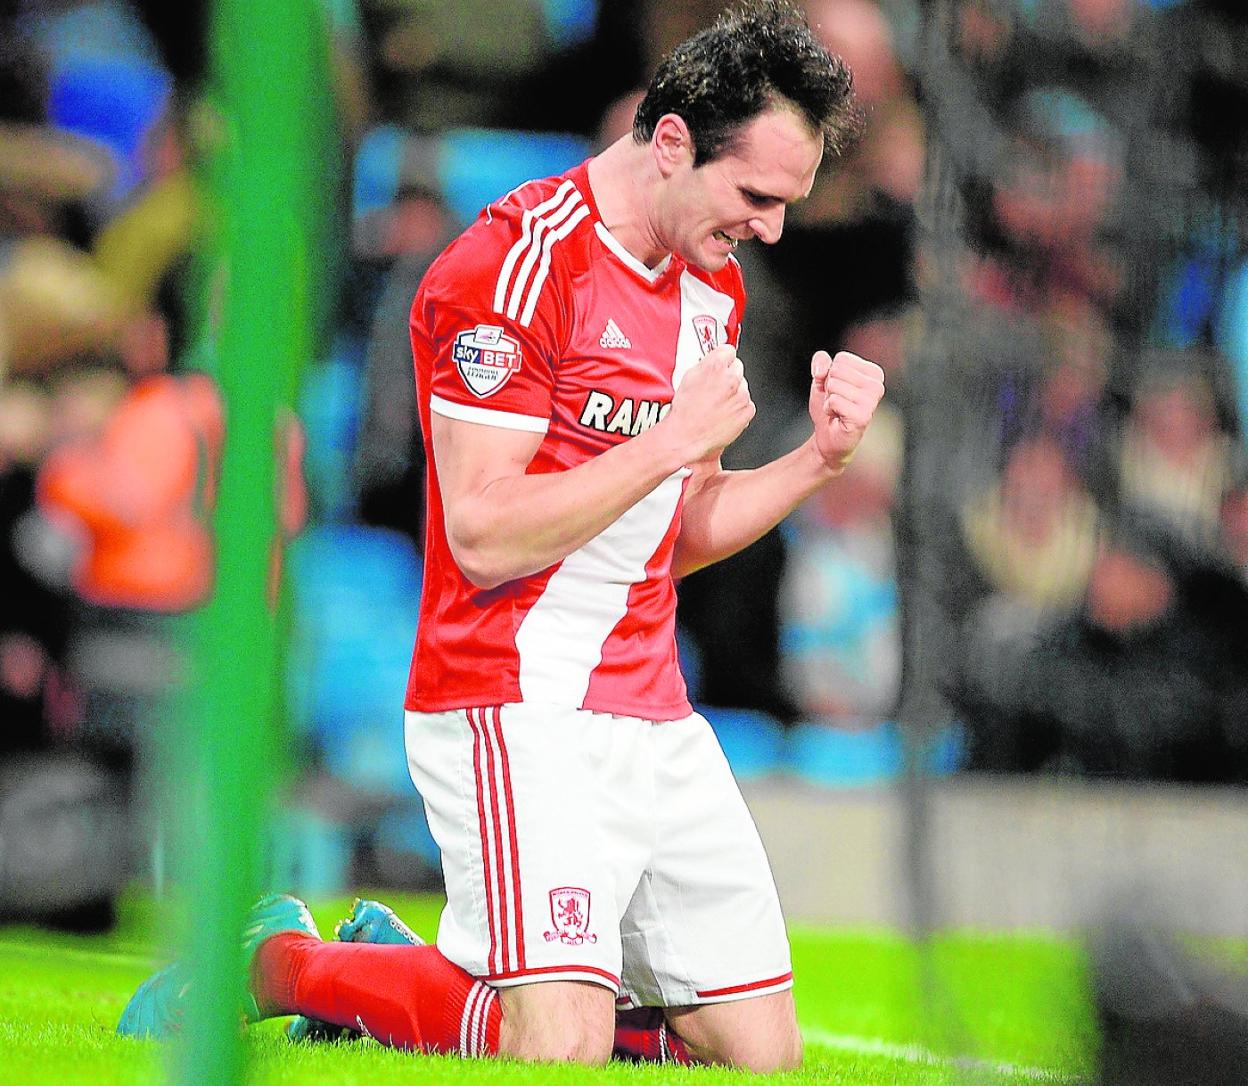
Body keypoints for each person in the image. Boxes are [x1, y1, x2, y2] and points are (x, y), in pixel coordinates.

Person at [117, 0, 884, 1070]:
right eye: (756, 196)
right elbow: (479, 534)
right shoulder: (513, 268)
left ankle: (441, 976)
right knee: (557, 1052)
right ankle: (285, 964)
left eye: (788, 203)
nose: (771, 229)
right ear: (671, 143)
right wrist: (668, 443)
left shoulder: (710, 283)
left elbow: (679, 531)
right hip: (511, 699)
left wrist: (816, 461)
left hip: (649, 709)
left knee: (757, 1056)